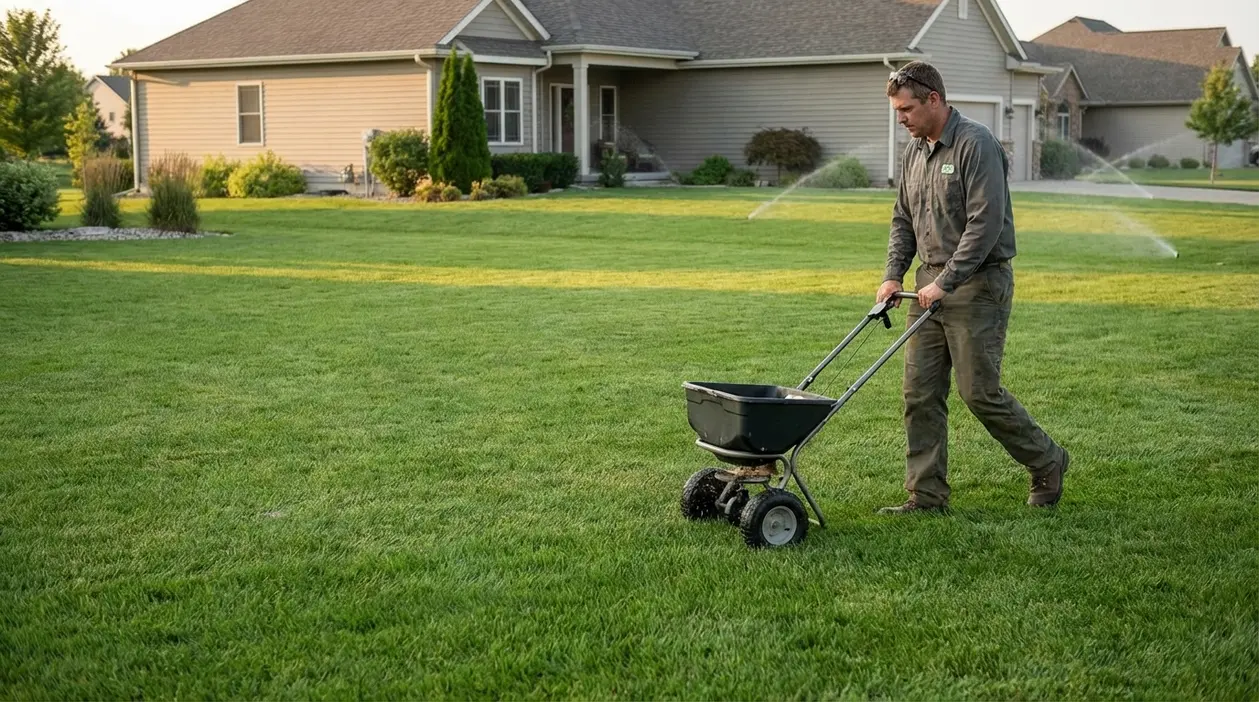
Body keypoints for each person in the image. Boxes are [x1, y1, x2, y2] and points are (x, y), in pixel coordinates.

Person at [875, 61, 1069, 514]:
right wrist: (892, 275)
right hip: (928, 284)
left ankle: (1048, 460)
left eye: (906, 109)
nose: (900, 118)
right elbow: (903, 219)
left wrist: (947, 281)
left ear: (934, 100)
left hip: (978, 283)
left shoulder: (975, 143)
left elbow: (984, 225)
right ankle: (925, 497)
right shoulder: (913, 151)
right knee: (919, 392)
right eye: (896, 110)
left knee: (978, 391)